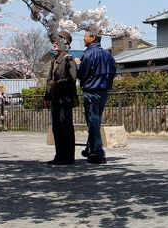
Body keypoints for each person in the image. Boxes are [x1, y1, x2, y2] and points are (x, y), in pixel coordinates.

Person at [76, 28, 116, 164]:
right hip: (103, 91)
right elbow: (112, 72)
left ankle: (98, 152)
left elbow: (81, 73)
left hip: (91, 90)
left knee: (92, 122)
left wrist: (77, 65)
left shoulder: (89, 54)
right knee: (95, 120)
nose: (83, 39)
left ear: (92, 38)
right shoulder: (108, 55)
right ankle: (90, 147)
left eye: (85, 36)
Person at [45, 31, 77, 165]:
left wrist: (58, 83)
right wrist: (46, 97)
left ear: (66, 44)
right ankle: (59, 155)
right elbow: (49, 79)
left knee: (66, 126)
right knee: (56, 127)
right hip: (55, 98)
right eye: (54, 41)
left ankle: (68, 157)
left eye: (59, 41)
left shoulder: (69, 59)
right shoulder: (54, 60)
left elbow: (72, 79)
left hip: (65, 98)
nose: (55, 43)